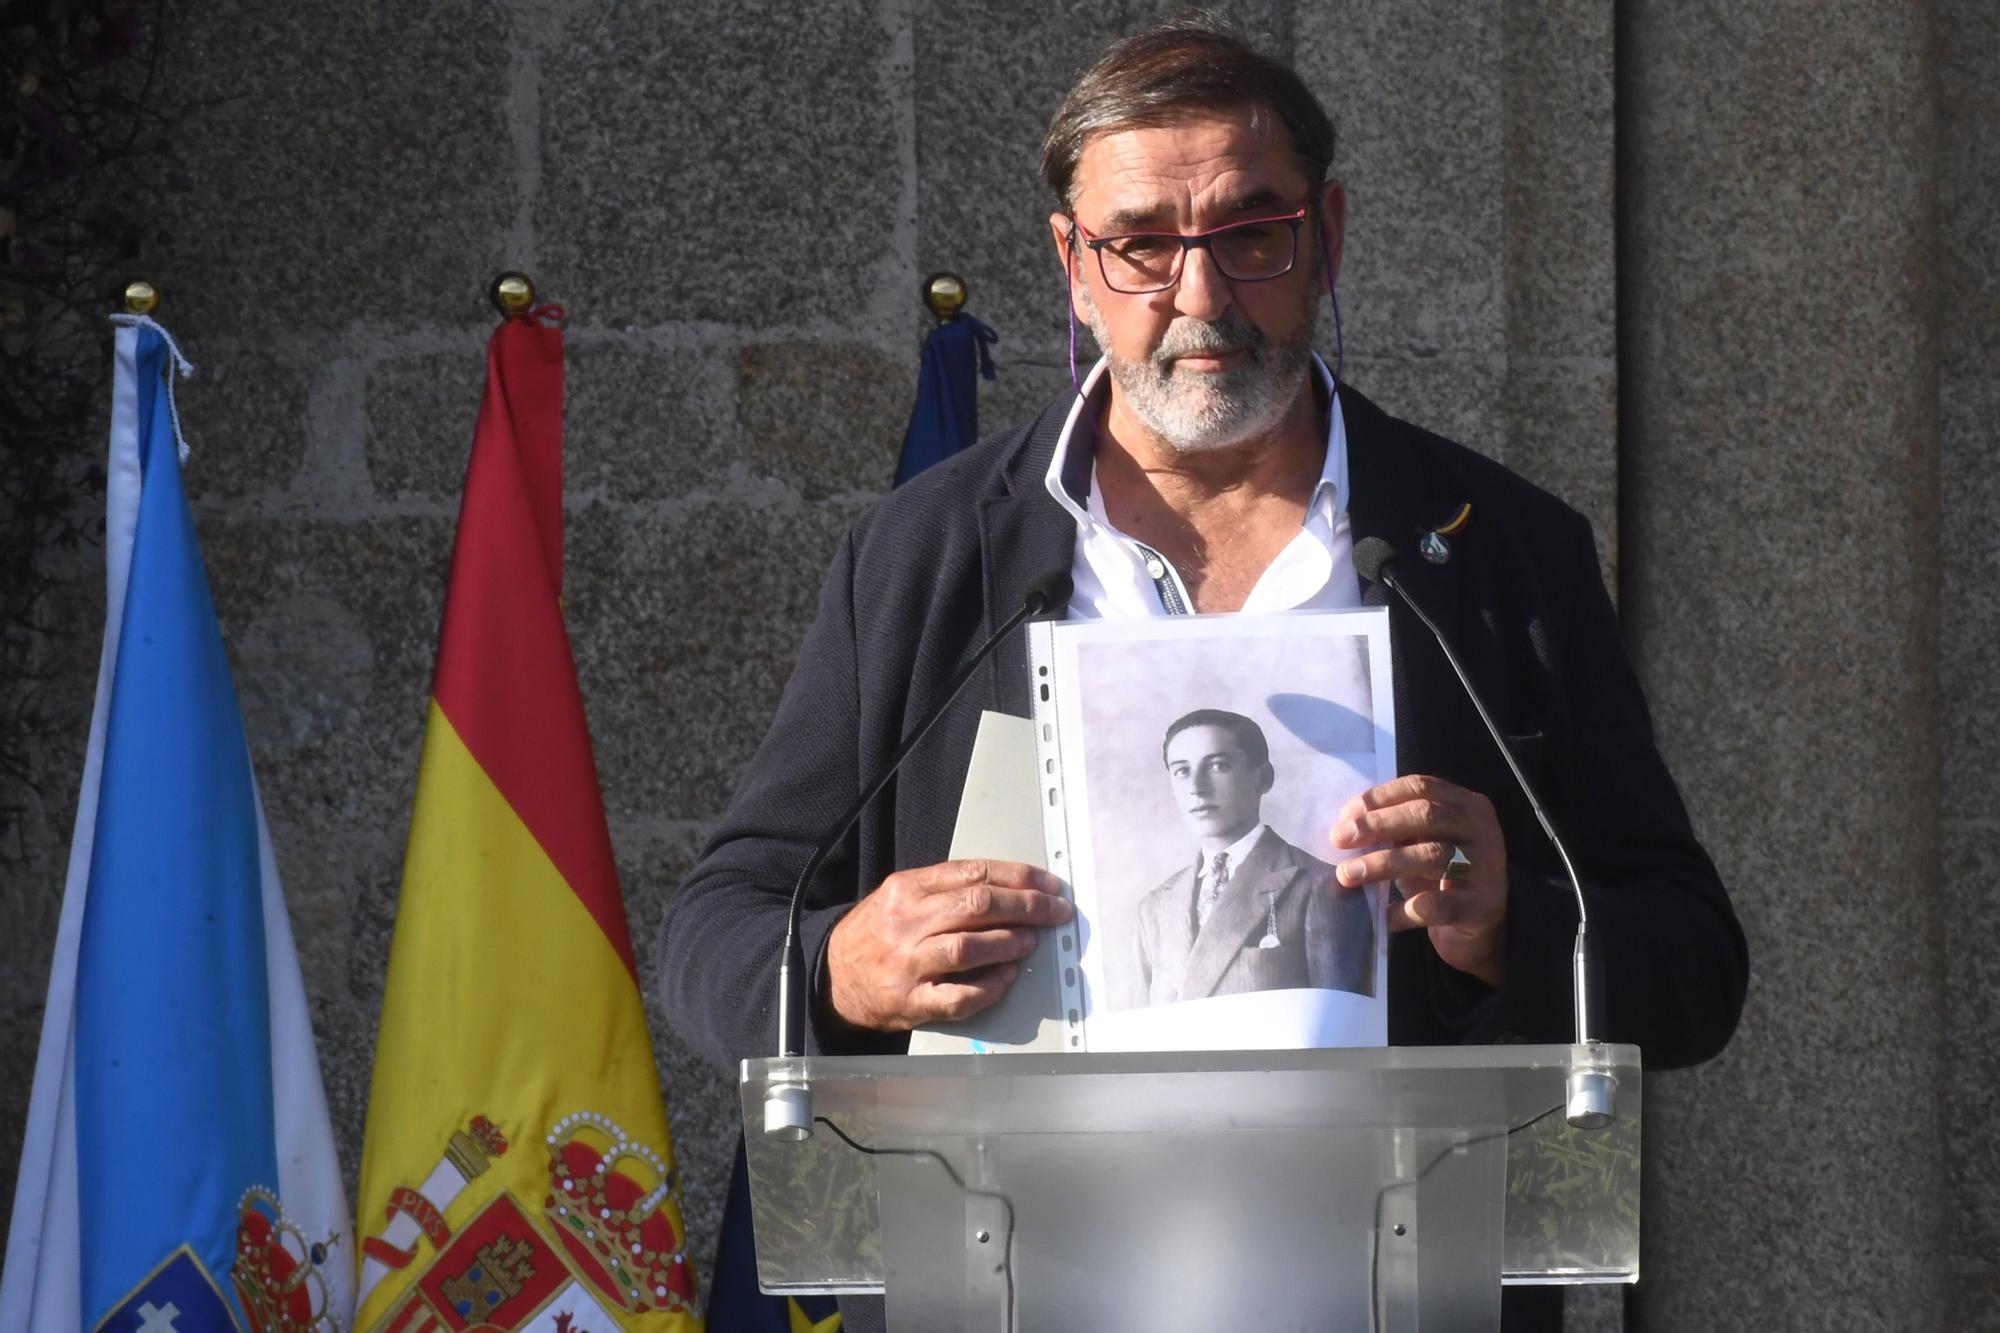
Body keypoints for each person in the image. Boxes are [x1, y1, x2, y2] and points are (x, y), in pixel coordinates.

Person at [661, 18, 1747, 1331]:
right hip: (1013, 1286)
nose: (1201, 295)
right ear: (1074, 263)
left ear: (1326, 235)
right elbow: (717, 929)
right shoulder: (928, 554)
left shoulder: (1494, 551)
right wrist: (840, 962)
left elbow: (1693, 966)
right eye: (1142, 243)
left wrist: (1512, 924)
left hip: (1398, 1288)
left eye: (1251, 231)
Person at [1129, 708, 1372, 1006]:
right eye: (1181, 771)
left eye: (1217, 766)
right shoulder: (1155, 907)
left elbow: (1344, 1026)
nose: (1196, 788)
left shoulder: (1320, 885)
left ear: (1263, 778)